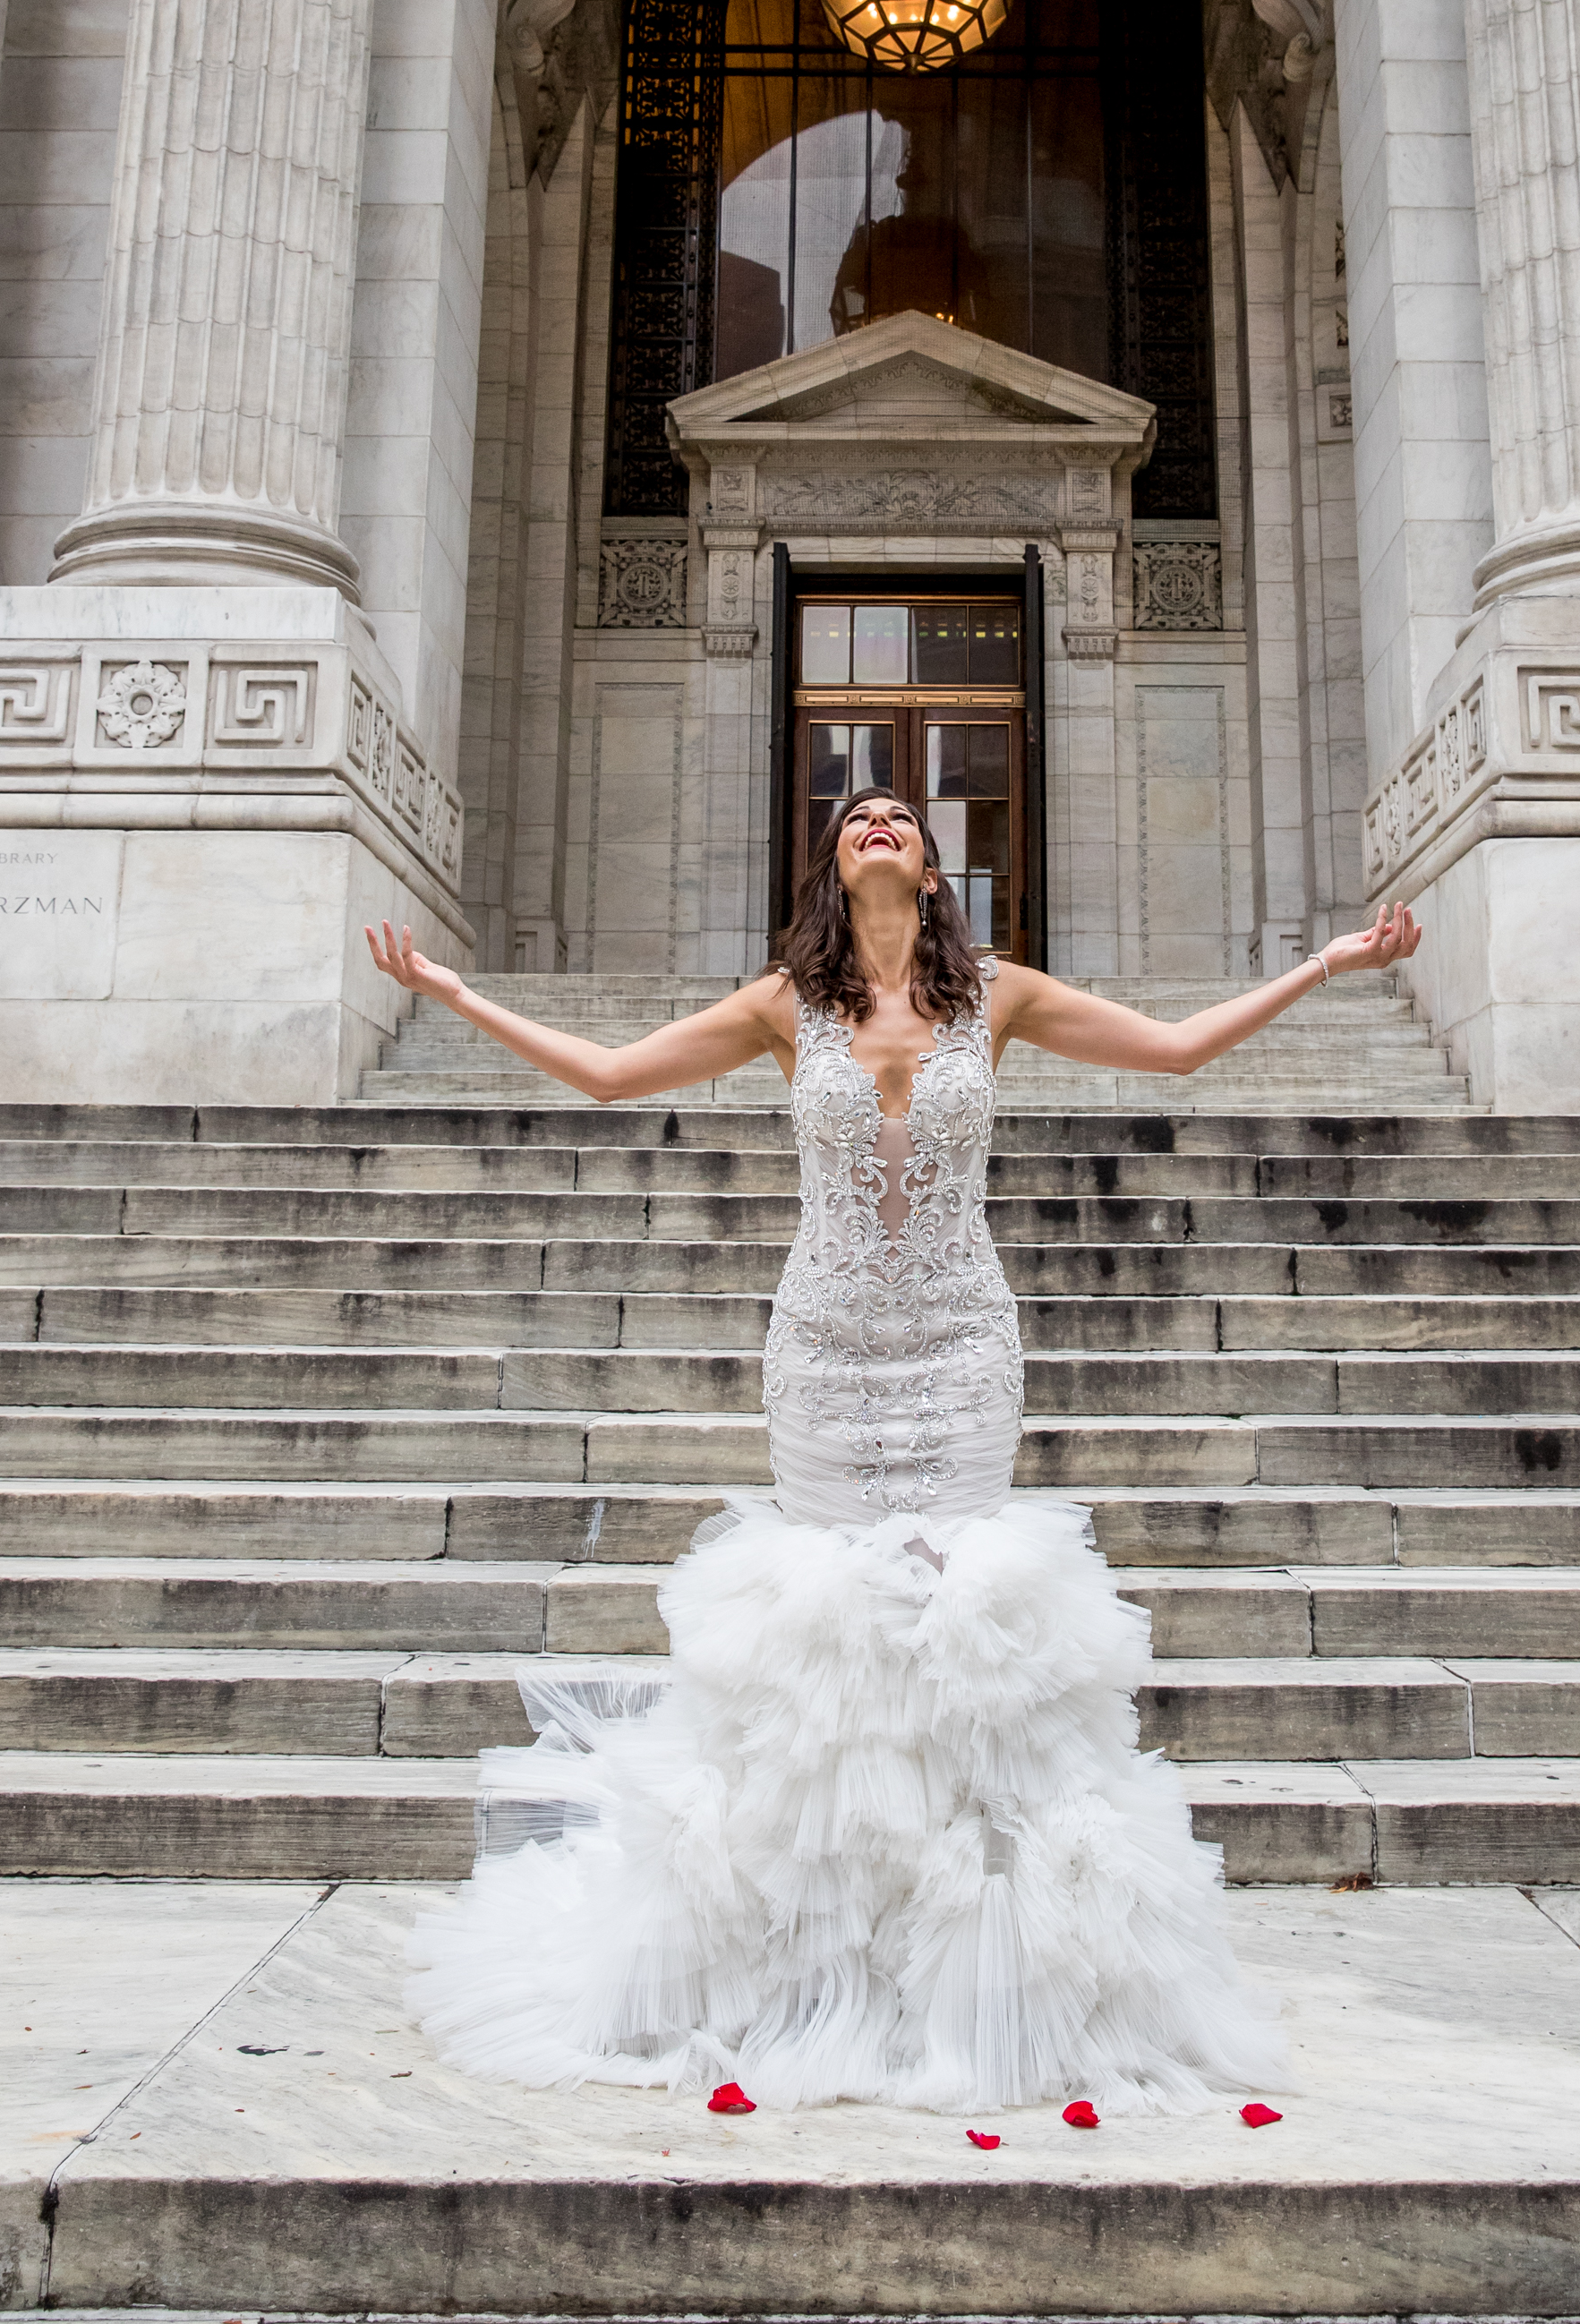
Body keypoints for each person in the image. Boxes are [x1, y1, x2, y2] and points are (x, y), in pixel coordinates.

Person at [366, 792, 1420, 2115]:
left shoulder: (1004, 999)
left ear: (930, 871)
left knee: (966, 1635)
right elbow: (611, 1073)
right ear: (836, 865)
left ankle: (978, 1975)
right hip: (824, 1353)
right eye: (855, 814)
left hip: (963, 1352)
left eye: (899, 818)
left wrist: (1329, 964)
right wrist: (457, 995)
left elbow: (1179, 1051)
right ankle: (806, 1967)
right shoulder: (780, 1011)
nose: (876, 822)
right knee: (827, 1640)